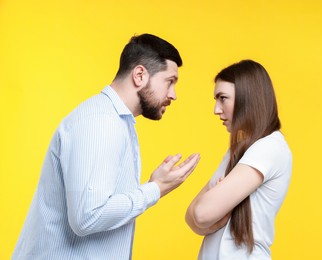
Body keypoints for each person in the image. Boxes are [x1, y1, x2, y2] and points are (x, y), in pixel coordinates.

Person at [13, 33, 200, 260]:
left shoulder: (118, 123)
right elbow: (87, 217)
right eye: (170, 82)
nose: (173, 95)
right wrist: (155, 189)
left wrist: (154, 185)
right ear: (140, 75)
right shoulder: (100, 122)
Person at [186, 59, 292, 260]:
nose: (216, 110)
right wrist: (207, 214)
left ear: (248, 98)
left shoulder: (269, 147)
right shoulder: (238, 149)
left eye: (223, 98)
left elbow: (200, 213)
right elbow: (191, 217)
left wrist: (208, 213)